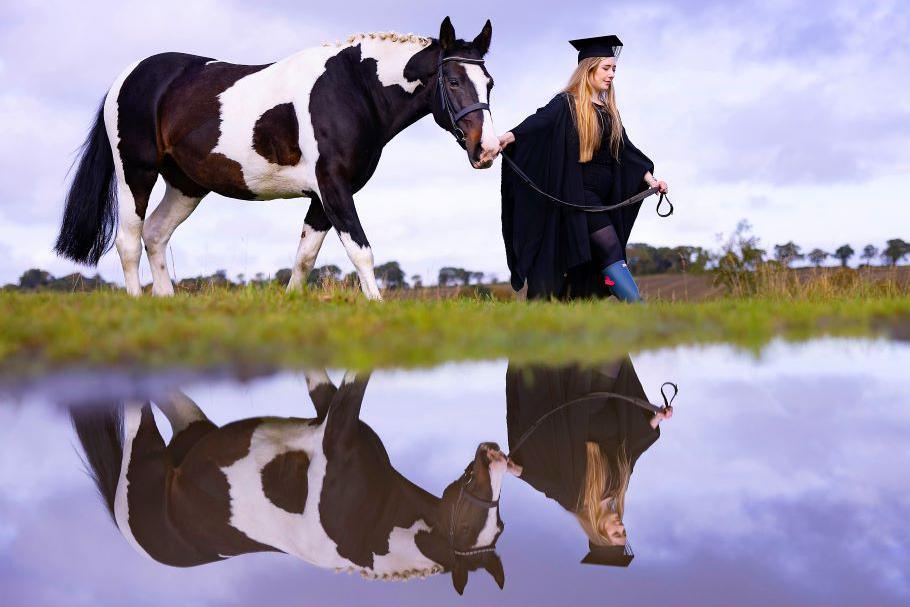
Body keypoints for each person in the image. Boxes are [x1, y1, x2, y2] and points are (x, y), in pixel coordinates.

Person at [500, 35, 668, 301]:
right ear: (588, 68)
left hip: (602, 199)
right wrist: (506, 138)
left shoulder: (608, 110)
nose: (612, 74)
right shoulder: (566, 103)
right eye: (606, 68)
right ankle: (641, 309)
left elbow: (626, 150)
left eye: (614, 69)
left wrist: (652, 180)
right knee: (610, 247)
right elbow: (538, 122)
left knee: (594, 261)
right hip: (579, 197)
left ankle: (573, 312)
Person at [505, 356, 673, 566]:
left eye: (616, 533)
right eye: (623, 531)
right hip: (606, 403)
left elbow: (544, 483)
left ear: (600, 534)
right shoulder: (618, 487)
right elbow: (632, 450)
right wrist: (658, 418)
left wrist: (514, 470)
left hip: (577, 405)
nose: (620, 526)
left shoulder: (575, 499)